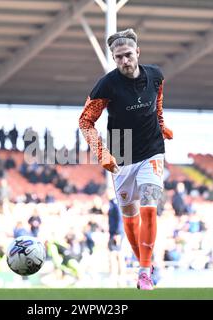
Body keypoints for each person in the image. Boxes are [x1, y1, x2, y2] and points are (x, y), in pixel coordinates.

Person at [78, 28, 173, 290]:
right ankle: (144, 262)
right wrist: (102, 153)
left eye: (128, 55)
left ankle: (144, 271)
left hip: (152, 150)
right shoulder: (107, 85)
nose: (124, 61)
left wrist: (162, 124)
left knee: (150, 204)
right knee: (130, 220)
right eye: (118, 57)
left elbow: (158, 103)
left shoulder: (155, 76)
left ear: (138, 53)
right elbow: (85, 121)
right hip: (122, 157)